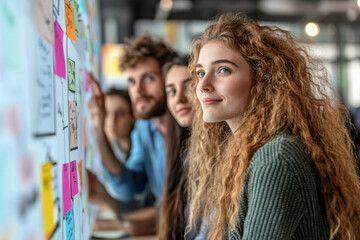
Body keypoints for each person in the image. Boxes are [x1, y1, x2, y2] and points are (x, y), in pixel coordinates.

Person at [187, 13, 360, 239]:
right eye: (200, 73)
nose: (203, 85)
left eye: (223, 70)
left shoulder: (275, 157)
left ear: (262, 79)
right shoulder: (241, 151)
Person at [88, 34, 178, 234]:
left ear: (167, 78)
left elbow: (182, 212)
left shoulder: (190, 130)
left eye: (148, 78)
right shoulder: (144, 128)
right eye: (131, 81)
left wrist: (125, 225)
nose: (138, 90)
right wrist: (98, 130)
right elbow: (129, 187)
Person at [158, 56, 206, 240]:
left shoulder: (219, 152)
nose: (179, 98)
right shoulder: (186, 150)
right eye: (171, 91)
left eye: (188, 85)